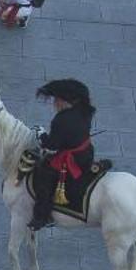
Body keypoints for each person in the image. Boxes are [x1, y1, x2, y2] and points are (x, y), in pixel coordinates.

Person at [28, 79, 94, 231]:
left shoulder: (61, 120)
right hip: (86, 153)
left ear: (66, 101)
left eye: (57, 100)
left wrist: (41, 134)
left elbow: (51, 146)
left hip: (71, 159)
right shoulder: (86, 110)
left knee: (42, 172)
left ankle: (42, 216)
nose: (54, 103)